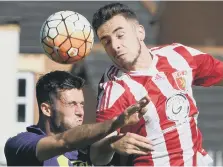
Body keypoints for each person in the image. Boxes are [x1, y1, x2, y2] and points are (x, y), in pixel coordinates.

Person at [90, 2, 223, 166]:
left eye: (120, 35)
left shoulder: (178, 56)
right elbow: (96, 156)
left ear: (140, 32)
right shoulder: (114, 88)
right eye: (106, 42)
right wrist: (111, 144)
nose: (115, 46)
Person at [4, 70, 151, 166]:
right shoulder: (20, 145)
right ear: (47, 109)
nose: (80, 112)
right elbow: (64, 141)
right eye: (72, 104)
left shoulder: (91, 147)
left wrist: (111, 144)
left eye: (81, 104)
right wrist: (115, 122)